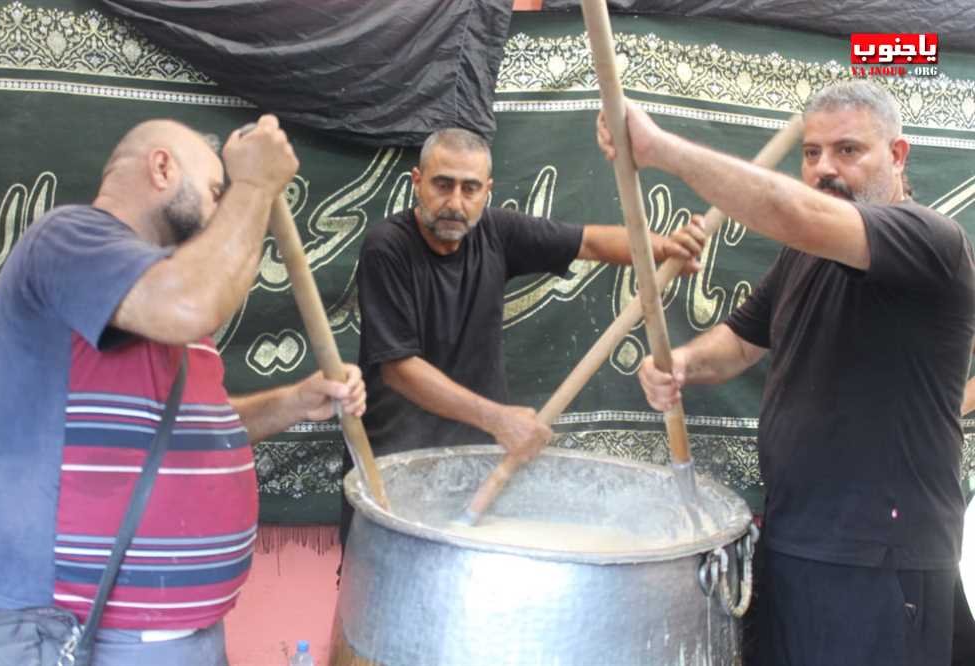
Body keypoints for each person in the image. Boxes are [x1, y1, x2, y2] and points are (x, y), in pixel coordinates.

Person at [598, 81, 975, 665]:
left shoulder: (930, 241)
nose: (825, 168)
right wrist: (682, 366)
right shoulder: (805, 254)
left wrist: (659, 148)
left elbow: (788, 209)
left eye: (848, 151)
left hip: (879, 558)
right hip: (795, 538)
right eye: (812, 152)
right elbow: (743, 343)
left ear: (897, 156)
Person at [0, 115, 366, 665]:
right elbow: (190, 303)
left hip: (169, 633)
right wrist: (254, 184)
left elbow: (191, 423)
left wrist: (292, 402)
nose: (219, 212)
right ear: (162, 167)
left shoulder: (155, 296)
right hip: (72, 627)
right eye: (214, 192)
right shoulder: (68, 239)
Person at [345, 127, 706, 545]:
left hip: (480, 467)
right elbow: (399, 370)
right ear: (417, 183)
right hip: (395, 467)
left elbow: (590, 242)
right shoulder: (386, 247)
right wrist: (498, 419)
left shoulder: (495, 232)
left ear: (488, 191)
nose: (455, 203)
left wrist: (664, 249)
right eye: (443, 185)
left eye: (470, 188)